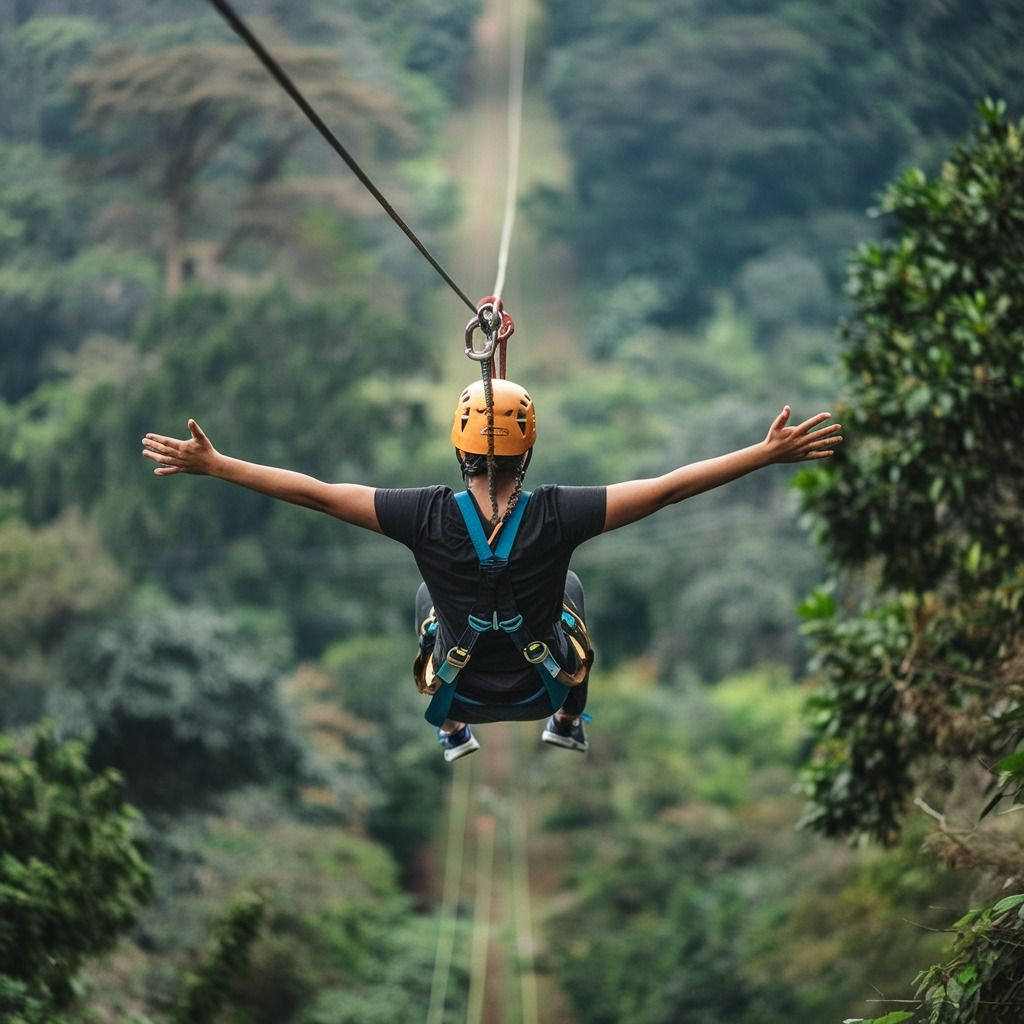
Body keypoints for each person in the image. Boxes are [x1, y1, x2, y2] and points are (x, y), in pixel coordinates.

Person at [141, 380, 842, 762]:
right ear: (528, 453)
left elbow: (315, 492)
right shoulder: (561, 514)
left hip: (462, 686)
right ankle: (569, 719)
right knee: (569, 592)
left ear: (459, 450)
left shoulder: (421, 515)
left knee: (427, 593)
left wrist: (217, 465)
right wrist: (762, 454)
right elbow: (665, 488)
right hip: (541, 682)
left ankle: (449, 731)